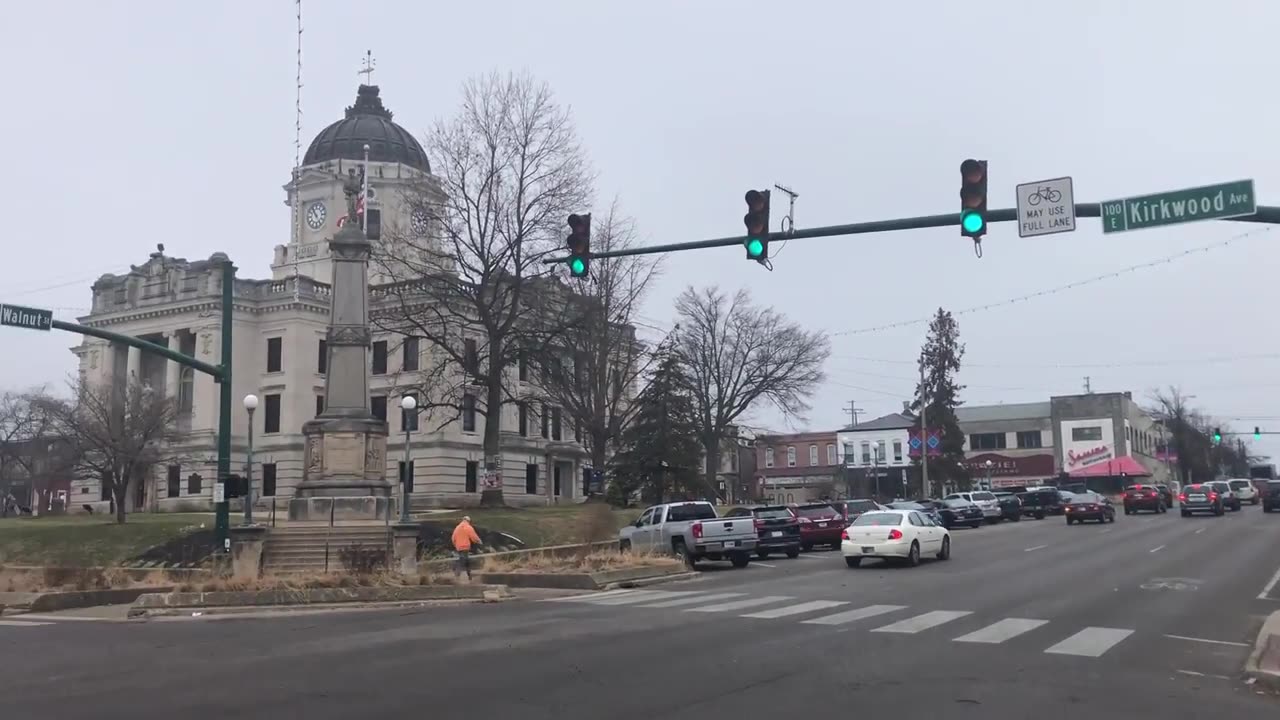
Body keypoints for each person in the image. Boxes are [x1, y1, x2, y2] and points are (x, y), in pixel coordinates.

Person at [451, 515, 482, 580]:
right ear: (468, 521)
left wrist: (455, 545)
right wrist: (479, 541)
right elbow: (473, 536)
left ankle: (469, 575)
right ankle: (457, 573)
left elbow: (453, 538)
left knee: (466, 560)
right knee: (463, 560)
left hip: (459, 547)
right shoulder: (468, 527)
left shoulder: (457, 527)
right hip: (465, 547)